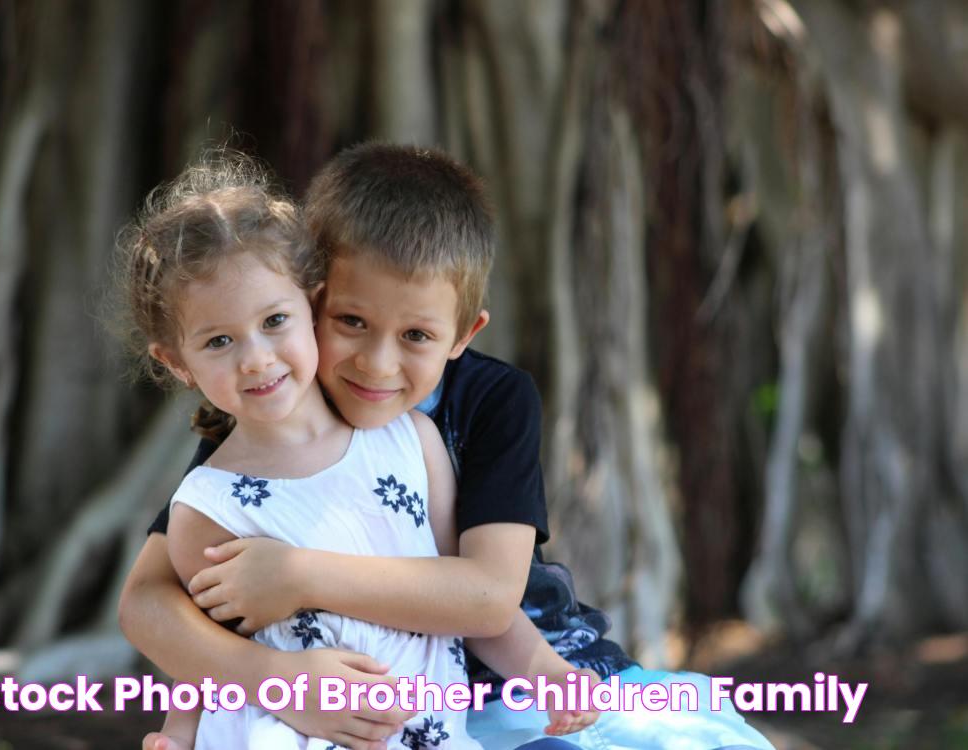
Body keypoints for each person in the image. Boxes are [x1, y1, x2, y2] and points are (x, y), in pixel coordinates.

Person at [120, 143, 774, 750]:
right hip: (324, 708)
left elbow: (487, 599)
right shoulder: (261, 419)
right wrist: (260, 689)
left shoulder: (473, 408)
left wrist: (295, 574)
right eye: (349, 321)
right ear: (310, 295)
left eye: (416, 335)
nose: (377, 364)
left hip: (516, 671)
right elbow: (158, 604)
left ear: (461, 333)